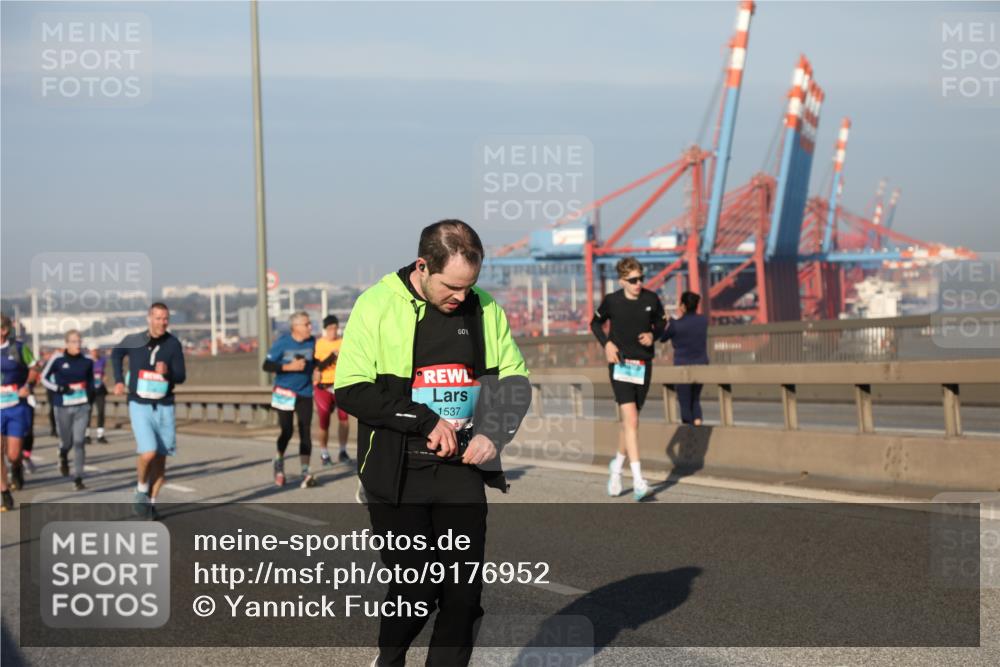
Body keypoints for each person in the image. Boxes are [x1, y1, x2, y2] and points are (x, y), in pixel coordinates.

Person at [335, 219, 531, 667]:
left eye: (470, 286)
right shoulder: (377, 305)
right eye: (452, 287)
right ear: (423, 266)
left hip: (461, 471)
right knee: (417, 589)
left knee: (463, 596)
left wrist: (492, 433)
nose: (461, 297)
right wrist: (425, 420)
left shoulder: (483, 309)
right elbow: (350, 389)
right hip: (397, 471)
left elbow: (515, 381)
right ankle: (389, 658)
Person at [590, 257, 665, 501]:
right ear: (622, 281)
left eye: (641, 279)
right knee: (631, 420)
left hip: (643, 365)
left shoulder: (651, 299)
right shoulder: (612, 301)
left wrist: (653, 335)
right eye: (633, 280)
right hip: (620, 366)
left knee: (629, 423)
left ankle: (616, 468)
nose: (638, 284)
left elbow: (662, 324)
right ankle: (639, 481)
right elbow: (595, 323)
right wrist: (607, 344)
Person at [112, 303, 187, 519]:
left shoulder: (173, 344)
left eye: (165, 318)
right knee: (148, 452)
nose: (162, 322)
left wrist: (168, 372)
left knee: (161, 463)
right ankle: (141, 488)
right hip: (139, 403)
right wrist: (118, 380)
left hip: (164, 405)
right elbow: (116, 355)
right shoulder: (134, 340)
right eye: (158, 318)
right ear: (149, 318)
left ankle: (150, 504)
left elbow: (181, 376)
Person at [263, 311, 317, 489]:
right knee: (287, 430)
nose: (310, 327)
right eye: (306, 324)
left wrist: (317, 369)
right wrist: (288, 366)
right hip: (284, 392)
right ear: (295, 327)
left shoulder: (311, 341)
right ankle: (278, 462)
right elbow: (267, 365)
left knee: (305, 430)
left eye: (310, 324)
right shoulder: (282, 343)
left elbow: (312, 362)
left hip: (305, 391)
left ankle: (305, 470)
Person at [41, 330, 95, 490]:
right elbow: (43, 378)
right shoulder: (57, 359)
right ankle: (63, 453)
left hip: (82, 407)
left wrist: (89, 400)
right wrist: (58, 388)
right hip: (62, 406)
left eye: (79, 341)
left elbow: (91, 382)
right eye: (73, 341)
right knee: (67, 441)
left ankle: (78, 478)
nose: (77, 344)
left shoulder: (87, 361)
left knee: (79, 442)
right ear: (67, 343)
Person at [1, 314, 39, 510]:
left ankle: (16, 469)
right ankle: (4, 491)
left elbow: (34, 367)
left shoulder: (19, 348)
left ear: (4, 330)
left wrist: (28, 384)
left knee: (13, 454)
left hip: (16, 406)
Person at [660, 291, 710, 425]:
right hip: (702, 364)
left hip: (682, 367)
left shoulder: (676, 325)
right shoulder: (703, 321)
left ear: (683, 306)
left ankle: (689, 432)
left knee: (684, 401)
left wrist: (667, 322)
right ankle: (699, 425)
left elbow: (663, 338)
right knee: (695, 399)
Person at [313, 314, 350, 467]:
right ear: (325, 330)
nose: (333, 331)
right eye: (330, 329)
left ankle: (342, 451)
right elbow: (316, 367)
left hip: (340, 385)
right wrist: (331, 357)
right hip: (323, 386)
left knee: (344, 419)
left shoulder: (344, 342)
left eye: (335, 328)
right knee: (324, 421)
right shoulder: (319, 344)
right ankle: (324, 452)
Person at [86, 347, 110, 444]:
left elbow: (105, 371)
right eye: (93, 350)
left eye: (96, 350)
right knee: (88, 412)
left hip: (100, 390)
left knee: (101, 411)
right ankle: (86, 435)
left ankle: (100, 435)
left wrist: (104, 376)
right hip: (89, 390)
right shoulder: (86, 361)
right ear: (89, 351)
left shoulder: (102, 360)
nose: (94, 352)